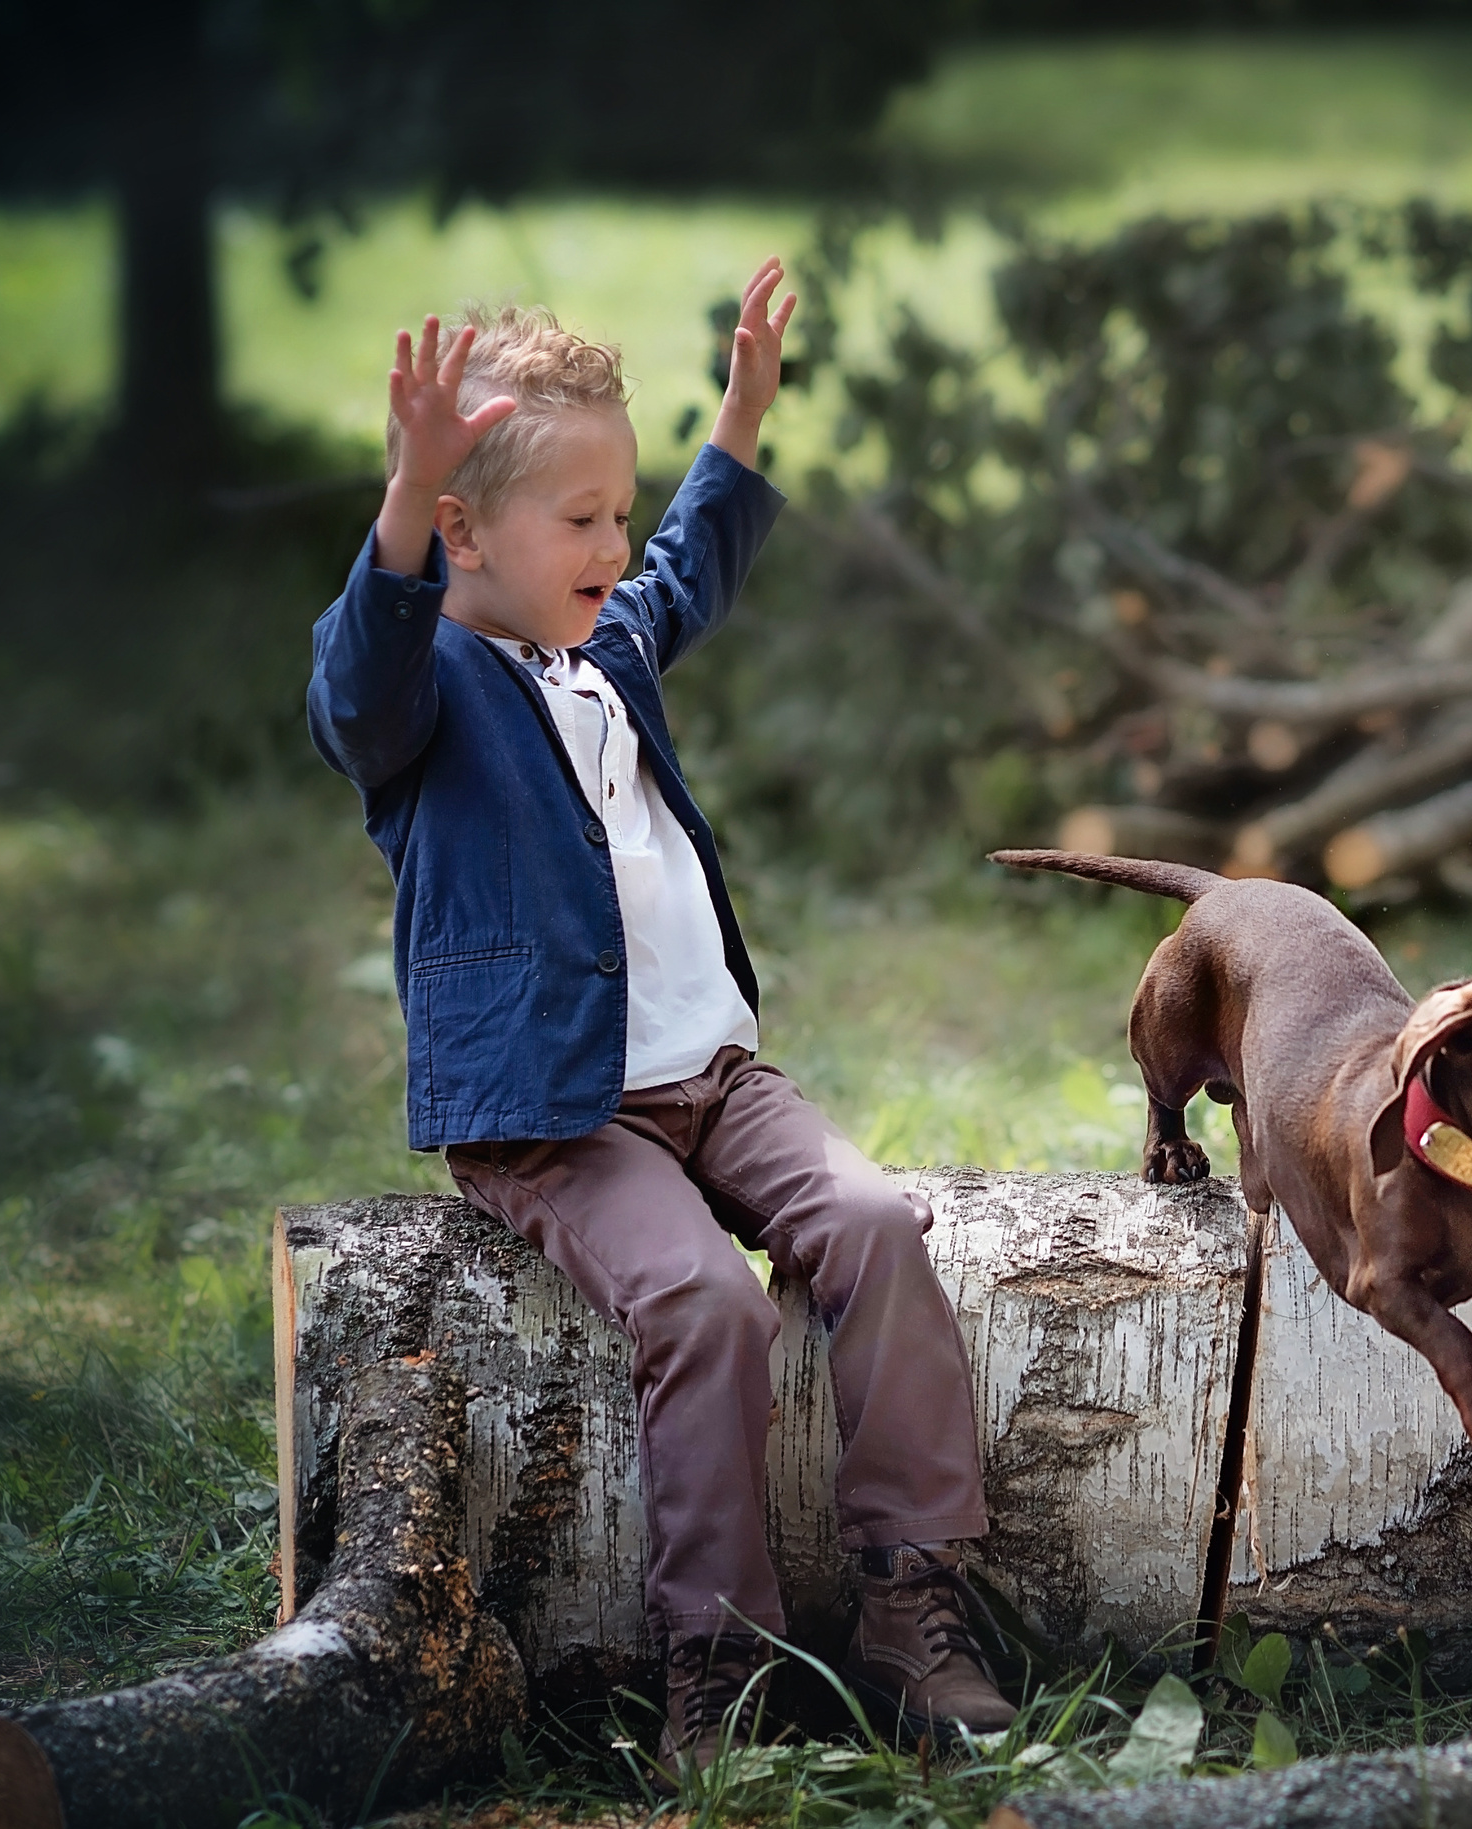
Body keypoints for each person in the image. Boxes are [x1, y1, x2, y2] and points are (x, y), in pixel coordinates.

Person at [306, 262, 1014, 1782]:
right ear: (463, 532)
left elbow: (690, 568)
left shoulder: (603, 650)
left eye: (616, 512)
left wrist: (746, 413)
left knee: (878, 1221)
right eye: (582, 520)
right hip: (561, 1117)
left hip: (713, 1080)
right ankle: (727, 1666)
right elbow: (348, 682)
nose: (615, 546)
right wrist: (402, 494)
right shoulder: (426, 692)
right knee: (704, 1300)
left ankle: (909, 1604)